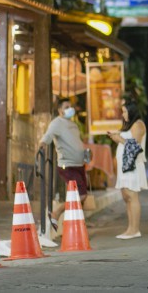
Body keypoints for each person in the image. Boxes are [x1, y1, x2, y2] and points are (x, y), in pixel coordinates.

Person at [38, 99, 88, 231]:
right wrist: (41, 145)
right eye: (67, 107)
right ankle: (56, 213)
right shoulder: (56, 123)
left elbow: (76, 142)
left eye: (71, 106)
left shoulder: (73, 124)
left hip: (79, 164)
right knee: (81, 195)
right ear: (60, 110)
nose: (70, 108)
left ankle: (76, 225)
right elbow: (47, 136)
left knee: (79, 197)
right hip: (67, 165)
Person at [107, 102, 148, 239]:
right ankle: (130, 228)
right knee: (126, 197)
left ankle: (135, 229)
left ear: (132, 111)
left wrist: (119, 139)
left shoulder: (138, 125)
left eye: (125, 112)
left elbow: (134, 146)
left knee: (132, 196)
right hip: (124, 166)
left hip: (133, 165)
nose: (123, 115)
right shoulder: (129, 125)